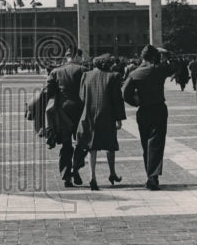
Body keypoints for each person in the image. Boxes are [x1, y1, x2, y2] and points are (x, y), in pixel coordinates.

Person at [122, 45, 176, 190]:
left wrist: (135, 102)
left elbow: (125, 94)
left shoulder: (135, 73)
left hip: (143, 110)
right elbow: (174, 67)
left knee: (146, 144)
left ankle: (150, 174)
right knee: (156, 143)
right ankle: (153, 176)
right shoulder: (159, 69)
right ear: (154, 57)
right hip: (158, 109)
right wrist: (167, 54)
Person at [73, 54, 127, 190]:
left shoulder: (86, 75)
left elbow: (82, 96)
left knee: (92, 147)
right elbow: (117, 100)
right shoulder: (114, 76)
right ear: (108, 64)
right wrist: (119, 119)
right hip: (107, 116)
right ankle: (112, 173)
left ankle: (92, 177)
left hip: (89, 115)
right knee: (110, 145)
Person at [46, 48, 87, 187]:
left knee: (66, 144)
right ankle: (76, 167)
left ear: (67, 56)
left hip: (62, 112)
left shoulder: (55, 72)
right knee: (82, 142)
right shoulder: (83, 70)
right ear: (76, 56)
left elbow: (48, 92)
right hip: (81, 111)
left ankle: (66, 176)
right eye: (81, 57)